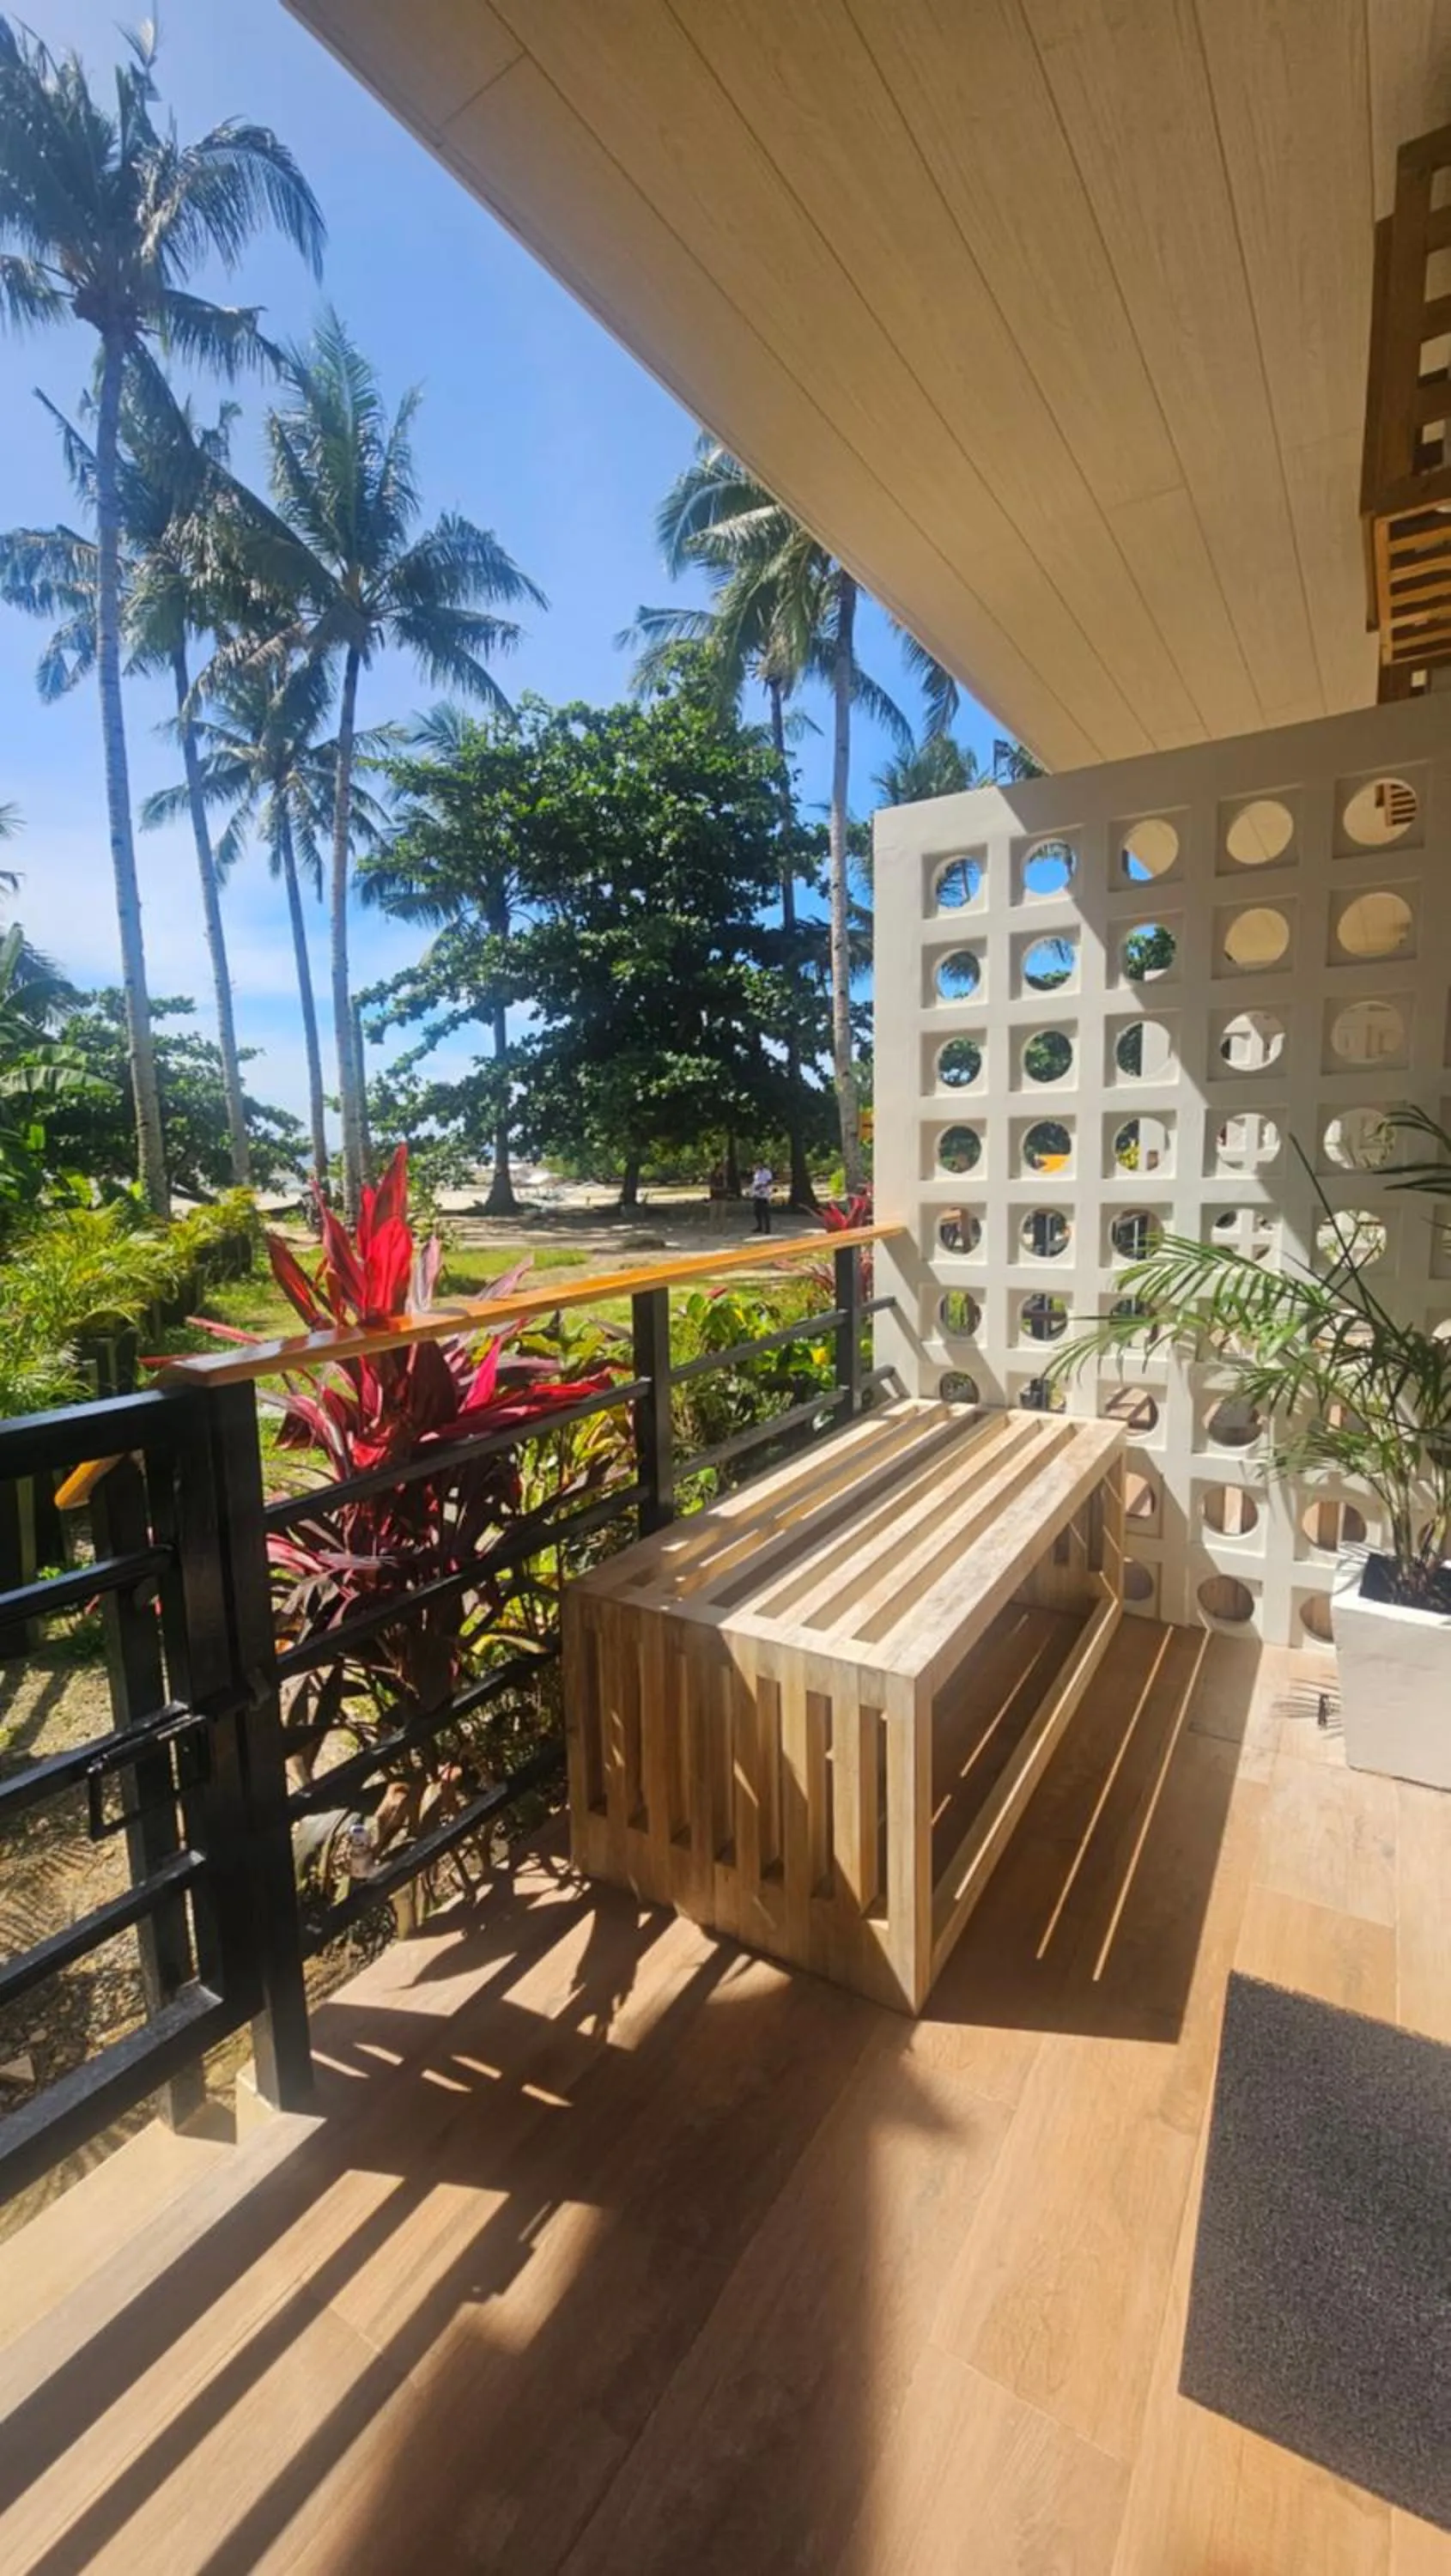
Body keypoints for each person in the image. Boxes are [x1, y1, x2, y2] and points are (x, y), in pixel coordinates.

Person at [750, 1159, 774, 1234]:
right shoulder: (756, 1173)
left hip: (764, 1194)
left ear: (762, 1164)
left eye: (759, 1164)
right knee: (757, 1211)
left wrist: (762, 1186)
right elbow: (755, 1182)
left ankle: (768, 1228)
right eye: (757, 1164)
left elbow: (770, 1181)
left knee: (765, 1212)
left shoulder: (767, 1172)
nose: (758, 1165)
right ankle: (759, 1226)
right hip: (757, 1194)